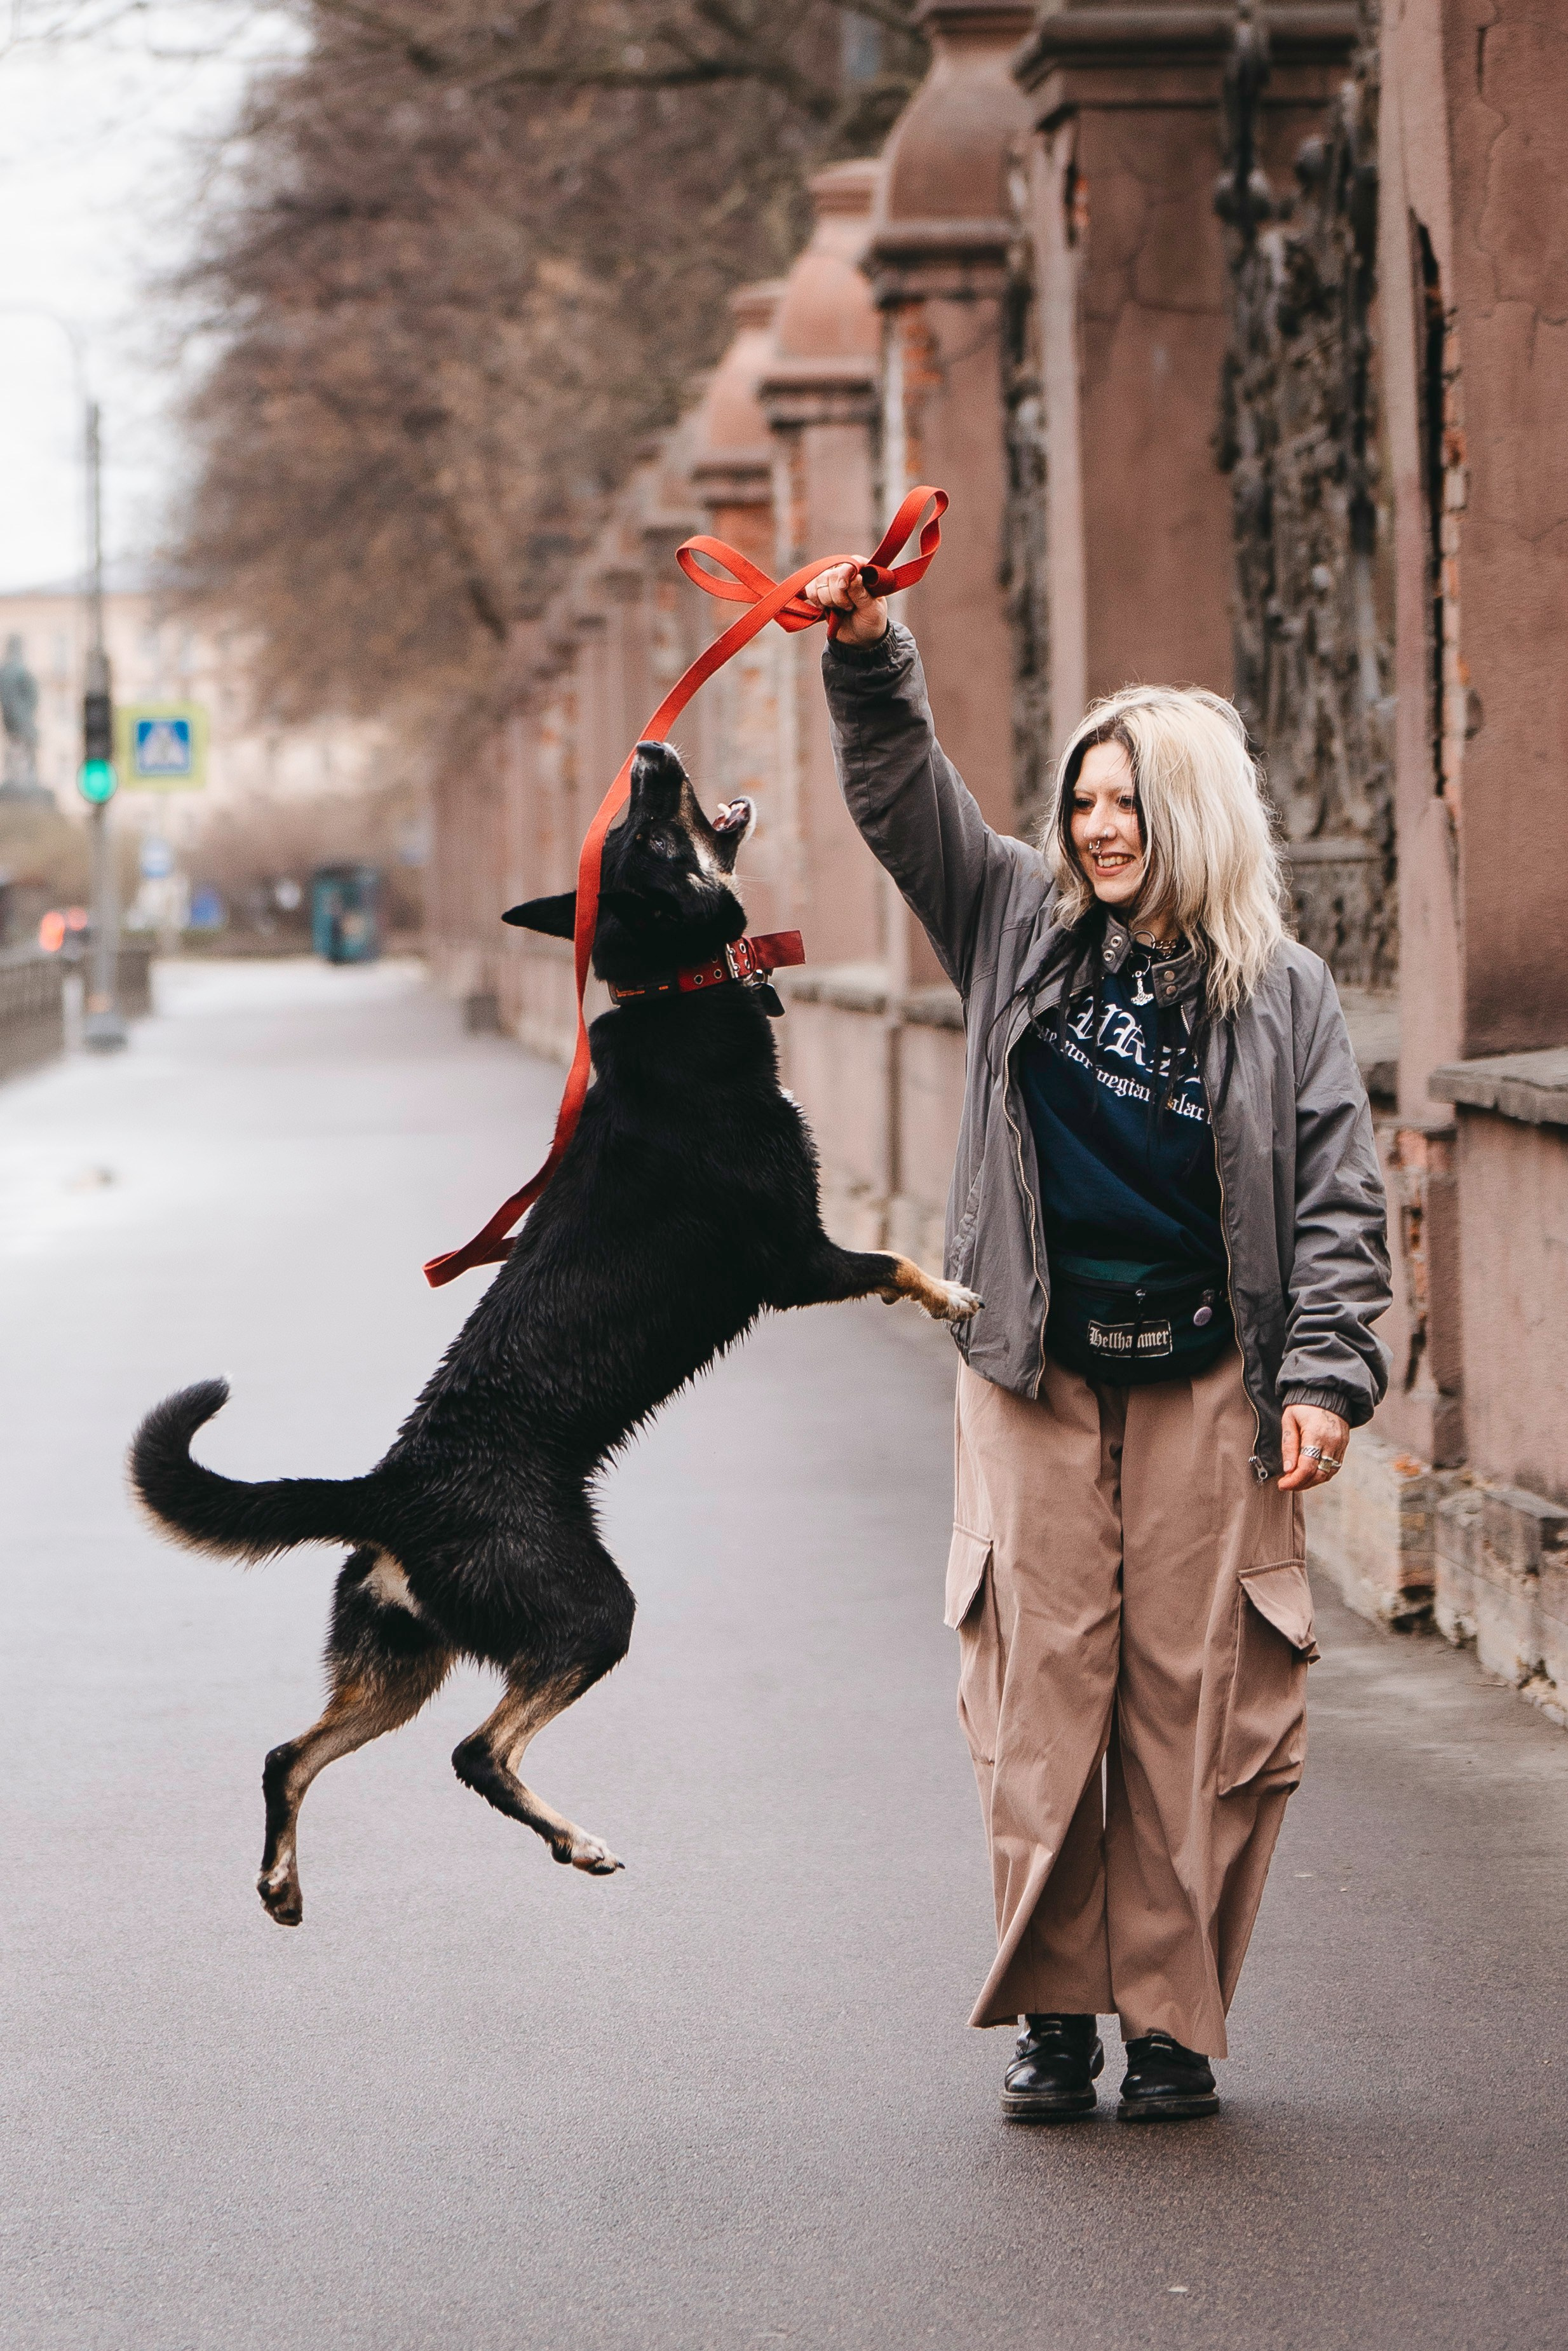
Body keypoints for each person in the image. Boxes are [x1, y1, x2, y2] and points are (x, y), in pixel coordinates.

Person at [802, 562, 1391, 2124]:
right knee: (1038, 1696)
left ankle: (1172, 2022)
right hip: (1037, 1374)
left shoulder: (1286, 995)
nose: (1097, 827)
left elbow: (1339, 1197)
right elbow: (902, 798)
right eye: (1081, 801)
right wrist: (866, 653)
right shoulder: (1015, 921)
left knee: (1203, 1704)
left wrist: (1324, 1376)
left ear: (1190, 813)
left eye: (1126, 801)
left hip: (1209, 1380)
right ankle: (1055, 2013)